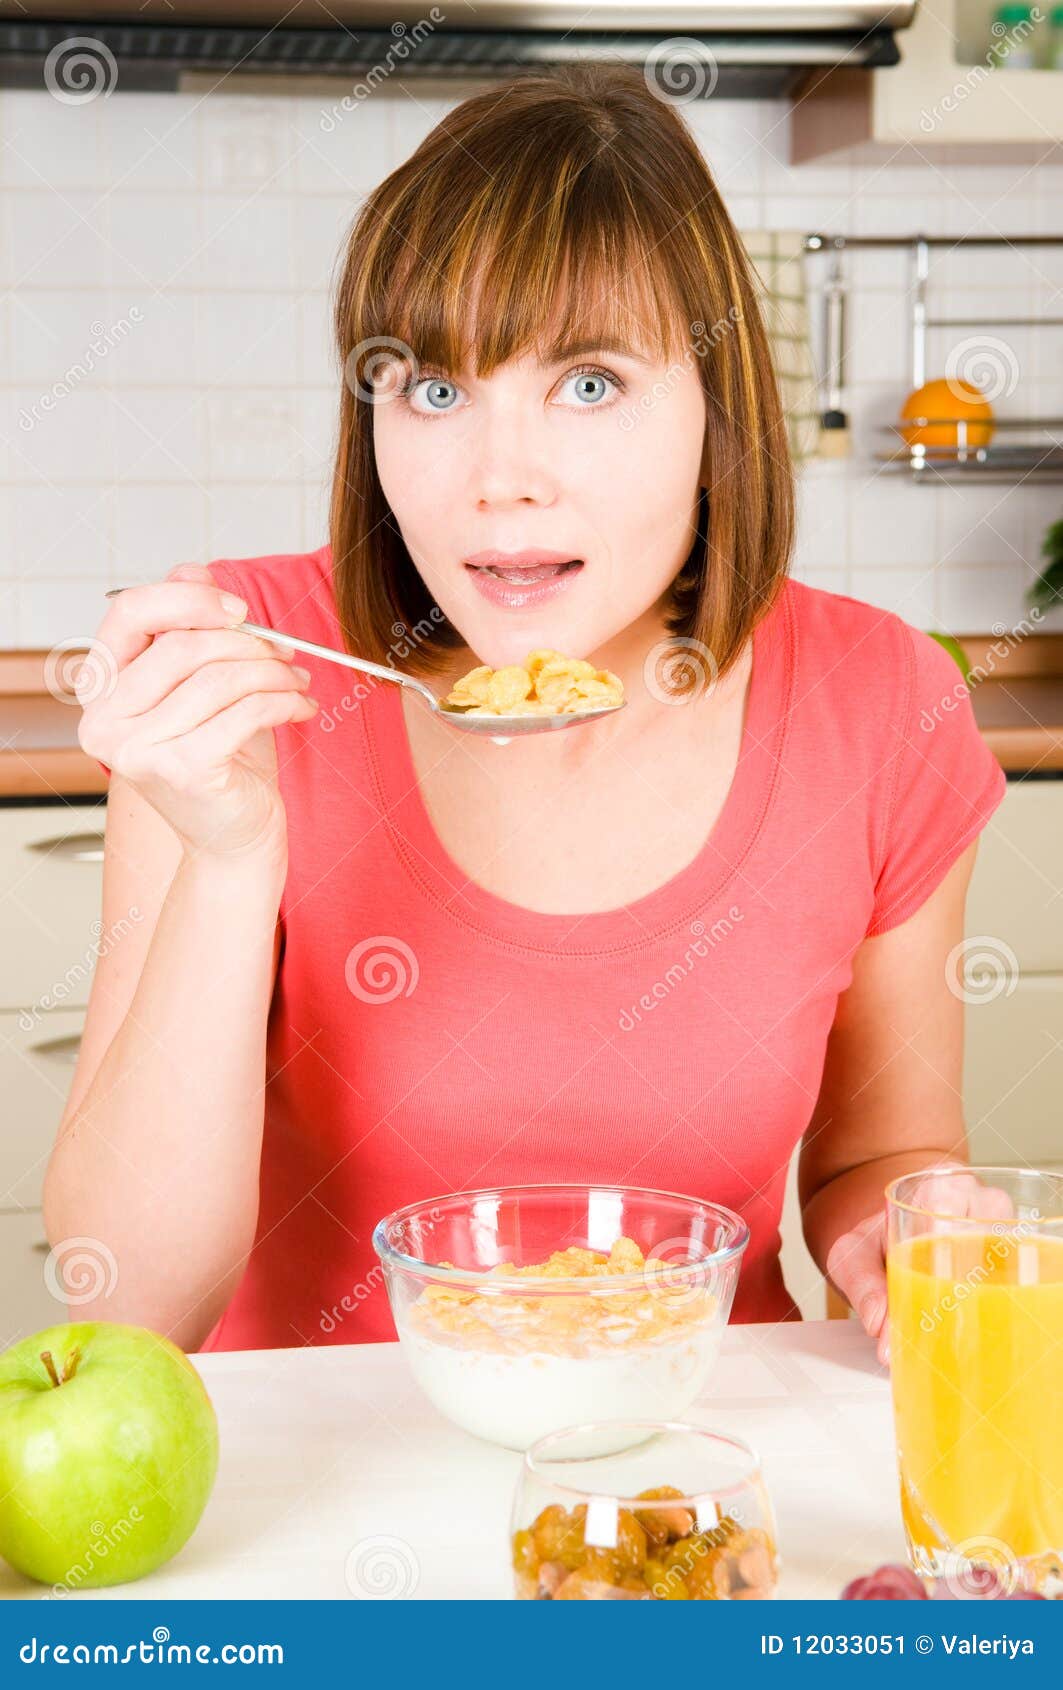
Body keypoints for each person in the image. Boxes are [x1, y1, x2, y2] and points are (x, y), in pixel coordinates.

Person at [45, 65, 1005, 1359]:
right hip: (317, 1497)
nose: (503, 482)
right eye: (437, 391)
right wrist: (229, 857)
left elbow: (883, 1151)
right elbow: (124, 1303)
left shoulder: (884, 703)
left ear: (718, 407)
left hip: (697, 1459)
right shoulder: (241, 681)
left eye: (591, 383)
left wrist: (897, 1230)